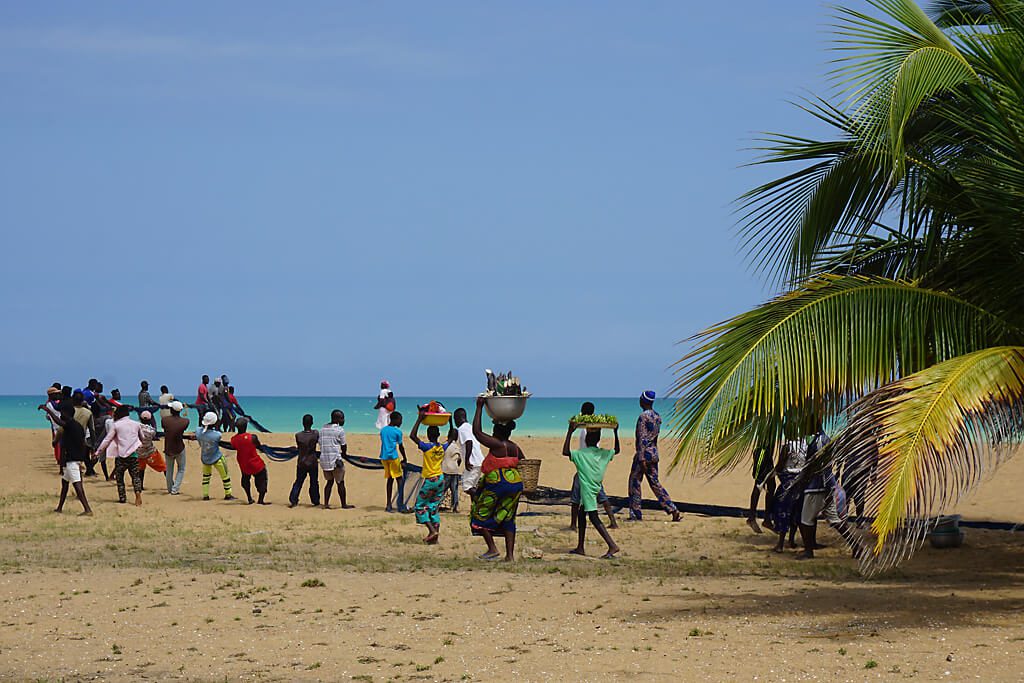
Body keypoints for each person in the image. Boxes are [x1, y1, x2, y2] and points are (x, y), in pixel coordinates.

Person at [469, 397, 525, 562]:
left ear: (498, 433)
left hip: (498, 483)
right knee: (508, 517)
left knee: (479, 514)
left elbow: (477, 432)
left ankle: (492, 549)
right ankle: (510, 555)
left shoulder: (497, 444)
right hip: (515, 484)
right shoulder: (515, 448)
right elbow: (524, 463)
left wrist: (479, 407)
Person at [797, 423, 862, 560]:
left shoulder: (820, 441)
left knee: (805, 520)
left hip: (817, 486)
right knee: (835, 520)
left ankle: (809, 551)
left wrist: (805, 479)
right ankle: (856, 546)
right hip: (826, 485)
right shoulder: (822, 439)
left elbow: (819, 466)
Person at [563, 420, 620, 558]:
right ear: (598, 440)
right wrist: (615, 432)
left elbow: (565, 452)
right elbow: (617, 450)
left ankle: (612, 546)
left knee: (594, 517)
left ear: (586, 440)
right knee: (582, 514)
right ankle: (580, 547)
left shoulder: (581, 454)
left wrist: (570, 431)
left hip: (587, 488)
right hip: (595, 485)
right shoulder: (603, 454)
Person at [627, 391, 682, 522]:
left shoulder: (643, 417)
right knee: (655, 483)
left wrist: (641, 458)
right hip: (653, 453)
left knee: (634, 482)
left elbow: (641, 438)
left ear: (644, 401)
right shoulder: (657, 416)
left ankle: (635, 513)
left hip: (644, 454)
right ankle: (672, 508)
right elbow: (654, 438)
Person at [569, 402, 617, 531]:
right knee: (600, 495)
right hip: (592, 463)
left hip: (585, 464)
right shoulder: (593, 427)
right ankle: (612, 521)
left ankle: (574, 524)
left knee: (576, 498)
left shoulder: (587, 428)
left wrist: (570, 431)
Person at [409, 412, 453, 543]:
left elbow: (412, 436)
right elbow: (451, 437)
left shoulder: (427, 447)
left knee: (419, 507)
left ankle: (432, 531)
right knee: (433, 507)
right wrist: (450, 422)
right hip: (440, 479)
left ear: (428, 436)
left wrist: (419, 419)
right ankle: (435, 537)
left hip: (430, 480)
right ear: (438, 435)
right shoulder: (442, 447)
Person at [95, 405, 145, 506]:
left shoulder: (116, 425)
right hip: (133, 455)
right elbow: (142, 437)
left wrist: (98, 452)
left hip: (121, 456)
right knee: (135, 476)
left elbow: (107, 439)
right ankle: (138, 495)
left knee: (120, 477)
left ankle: (122, 497)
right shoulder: (136, 424)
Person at [53, 404, 93, 515]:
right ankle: (60, 507)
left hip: (72, 460)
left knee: (77, 485)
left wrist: (47, 410)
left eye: (62, 413)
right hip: (71, 459)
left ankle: (87, 509)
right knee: (65, 483)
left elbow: (58, 422)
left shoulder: (70, 425)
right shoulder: (77, 426)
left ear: (66, 414)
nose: (61, 415)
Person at [771, 428, 806, 553]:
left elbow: (780, 465)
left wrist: (773, 473)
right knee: (796, 512)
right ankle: (791, 540)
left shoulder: (787, 447)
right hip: (801, 482)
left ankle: (780, 544)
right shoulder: (805, 445)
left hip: (788, 482)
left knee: (783, 511)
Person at [319, 410, 353, 509]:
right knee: (340, 482)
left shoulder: (322, 430)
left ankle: (326, 504)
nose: (343, 420)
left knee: (329, 482)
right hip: (336, 461)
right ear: (337, 419)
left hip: (324, 461)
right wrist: (344, 455)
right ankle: (343, 504)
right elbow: (343, 446)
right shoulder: (339, 430)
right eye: (342, 418)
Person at [230, 418, 269, 505]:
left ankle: (249, 498)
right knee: (262, 479)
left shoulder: (233, 439)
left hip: (244, 465)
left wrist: (219, 443)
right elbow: (258, 446)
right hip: (256, 464)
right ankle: (261, 500)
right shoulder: (253, 437)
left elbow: (232, 446)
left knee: (245, 480)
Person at [197, 411, 233, 501]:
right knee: (225, 475)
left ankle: (205, 495)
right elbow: (216, 436)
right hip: (216, 457)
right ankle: (228, 494)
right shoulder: (217, 435)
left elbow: (200, 430)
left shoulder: (198, 432)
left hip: (205, 458)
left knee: (206, 477)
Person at [289, 414, 321, 508]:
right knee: (314, 482)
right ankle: (315, 500)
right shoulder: (315, 434)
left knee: (299, 481)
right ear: (312, 423)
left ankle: (293, 499)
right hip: (312, 462)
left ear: (302, 423)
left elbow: (300, 447)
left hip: (301, 462)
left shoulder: (298, 435)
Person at [747, 438, 777, 534]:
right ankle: (751, 517)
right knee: (759, 484)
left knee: (771, 486)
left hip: (767, 453)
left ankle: (767, 519)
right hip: (762, 452)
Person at [379, 412, 408, 512]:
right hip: (393, 457)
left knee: (390, 480)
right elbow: (401, 447)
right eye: (400, 420)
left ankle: (388, 504)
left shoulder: (383, 430)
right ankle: (401, 504)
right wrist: (405, 458)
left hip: (384, 457)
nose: (401, 422)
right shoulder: (397, 432)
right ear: (395, 420)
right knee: (400, 480)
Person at [454, 408, 484, 497]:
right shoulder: (470, 427)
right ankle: (474, 509)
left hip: (473, 461)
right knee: (473, 486)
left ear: (458, 418)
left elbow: (469, 442)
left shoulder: (462, 429)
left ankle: (481, 501)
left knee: (467, 487)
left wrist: (467, 460)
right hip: (479, 460)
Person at [162, 401, 190, 495]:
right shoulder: (185, 421)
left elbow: (165, 429)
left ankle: (170, 489)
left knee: (169, 470)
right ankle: (175, 489)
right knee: (181, 469)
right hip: (179, 447)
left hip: (168, 447)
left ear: (171, 410)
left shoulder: (164, 420)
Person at [136, 411, 166, 490]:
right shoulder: (151, 430)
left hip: (139, 453)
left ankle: (140, 486)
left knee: (141, 470)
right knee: (163, 467)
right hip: (150, 452)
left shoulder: (136, 427)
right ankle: (171, 482)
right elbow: (154, 433)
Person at [440, 427, 463, 513]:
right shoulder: (457, 447)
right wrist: (457, 466)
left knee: (443, 489)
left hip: (445, 469)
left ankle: (438, 504)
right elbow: (459, 459)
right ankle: (455, 507)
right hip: (454, 470)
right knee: (454, 490)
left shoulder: (445, 446)